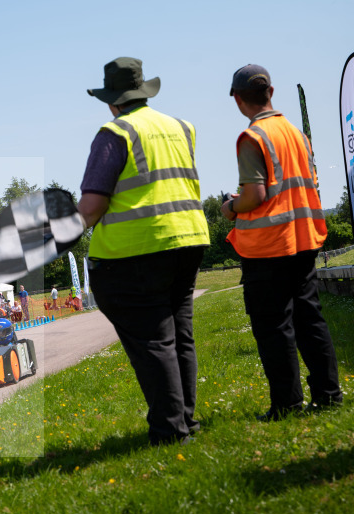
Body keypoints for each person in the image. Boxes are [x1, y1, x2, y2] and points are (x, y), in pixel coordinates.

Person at [78, 57, 209, 445]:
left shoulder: (114, 133)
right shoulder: (181, 127)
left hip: (137, 249)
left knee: (154, 341)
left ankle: (171, 432)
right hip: (188, 239)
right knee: (179, 335)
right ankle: (185, 420)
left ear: (111, 100)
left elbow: (92, 206)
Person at [221, 64, 342, 421]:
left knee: (274, 327)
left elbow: (255, 194)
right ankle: (329, 394)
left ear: (238, 99)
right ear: (271, 92)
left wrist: (231, 207)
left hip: (268, 247)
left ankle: (287, 405)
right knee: (310, 319)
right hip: (305, 239)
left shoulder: (253, 137)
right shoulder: (297, 135)